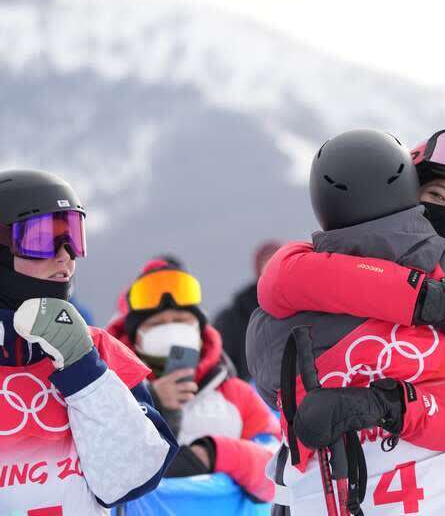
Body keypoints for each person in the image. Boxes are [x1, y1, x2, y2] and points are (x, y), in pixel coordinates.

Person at [247, 128, 445, 515]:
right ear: (405, 197)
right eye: (436, 196)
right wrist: (426, 299)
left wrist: (386, 405)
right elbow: (281, 288)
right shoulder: (326, 267)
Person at [0, 168, 178, 515]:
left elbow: (131, 477)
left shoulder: (100, 350)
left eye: (72, 237)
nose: (65, 255)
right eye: (40, 239)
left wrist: (84, 369)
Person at [106, 260, 282, 502]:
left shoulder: (235, 394)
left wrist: (213, 454)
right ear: (135, 338)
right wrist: (152, 404)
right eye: (156, 324)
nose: (170, 330)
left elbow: (278, 473)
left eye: (180, 320)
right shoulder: (109, 395)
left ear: (200, 333)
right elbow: (102, 467)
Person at [214, 240, 282, 380]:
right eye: (268, 265)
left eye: (280, 264)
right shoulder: (233, 319)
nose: (274, 272)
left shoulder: (308, 308)